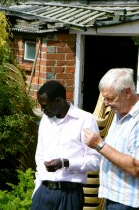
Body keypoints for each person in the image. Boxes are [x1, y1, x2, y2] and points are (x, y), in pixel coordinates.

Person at [84, 68, 139, 210]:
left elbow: (136, 167)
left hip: (134, 203)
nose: (106, 103)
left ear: (127, 93)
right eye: (104, 98)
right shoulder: (121, 113)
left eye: (110, 98)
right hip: (119, 200)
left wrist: (99, 145)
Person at [31, 80, 101, 210]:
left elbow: (95, 160)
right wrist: (37, 190)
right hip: (43, 193)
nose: (42, 110)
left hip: (70, 194)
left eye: (45, 106)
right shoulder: (45, 120)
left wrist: (65, 163)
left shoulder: (85, 120)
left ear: (58, 101)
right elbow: (40, 157)